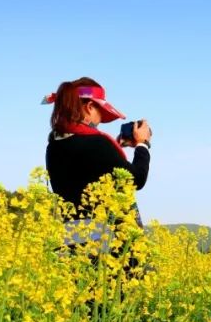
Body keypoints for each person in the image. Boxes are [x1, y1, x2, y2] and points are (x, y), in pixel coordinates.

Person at [41, 77, 151, 263]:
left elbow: (86, 168)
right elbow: (136, 179)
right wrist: (142, 144)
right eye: (100, 111)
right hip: (107, 243)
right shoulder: (98, 144)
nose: (100, 121)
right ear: (90, 107)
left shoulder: (53, 146)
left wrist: (115, 148)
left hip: (72, 239)